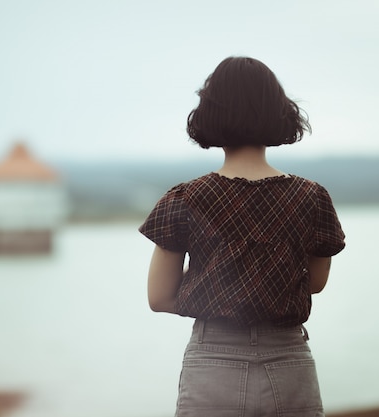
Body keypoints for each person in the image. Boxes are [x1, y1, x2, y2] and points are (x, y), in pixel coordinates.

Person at [139, 56, 345, 417]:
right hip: (288, 360)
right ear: (279, 112)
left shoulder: (185, 198)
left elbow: (159, 297)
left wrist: (215, 290)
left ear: (209, 115)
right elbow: (314, 283)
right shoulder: (312, 197)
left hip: (213, 361)